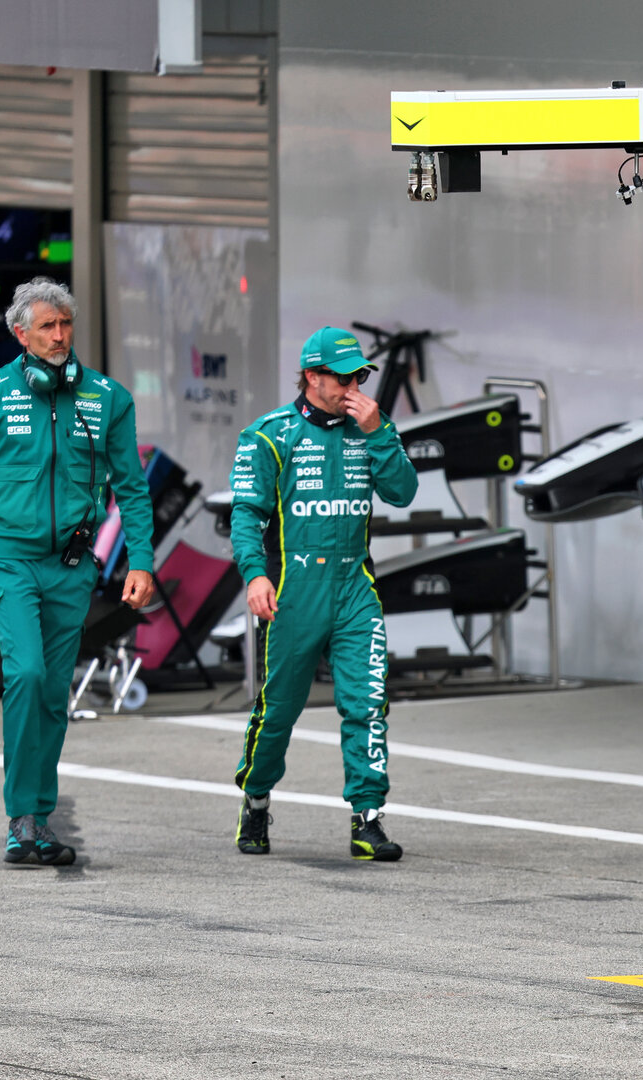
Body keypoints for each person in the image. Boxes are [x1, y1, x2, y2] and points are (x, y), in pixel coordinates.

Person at [0, 277, 157, 866]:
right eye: (47, 326)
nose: (59, 336)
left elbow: (133, 489)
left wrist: (141, 561)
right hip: (9, 560)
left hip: (73, 566)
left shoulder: (108, 398)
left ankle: (40, 817)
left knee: (54, 692)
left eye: (65, 324)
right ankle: (21, 817)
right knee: (27, 674)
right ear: (19, 333)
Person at [230, 327, 418, 861]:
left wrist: (379, 432)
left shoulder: (372, 427)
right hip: (294, 592)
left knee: (367, 704)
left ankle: (368, 819)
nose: (354, 388)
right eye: (343, 378)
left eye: (360, 377)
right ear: (312, 376)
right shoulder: (269, 435)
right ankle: (256, 799)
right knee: (278, 712)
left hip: (356, 587)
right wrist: (255, 575)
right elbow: (245, 515)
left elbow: (403, 492)